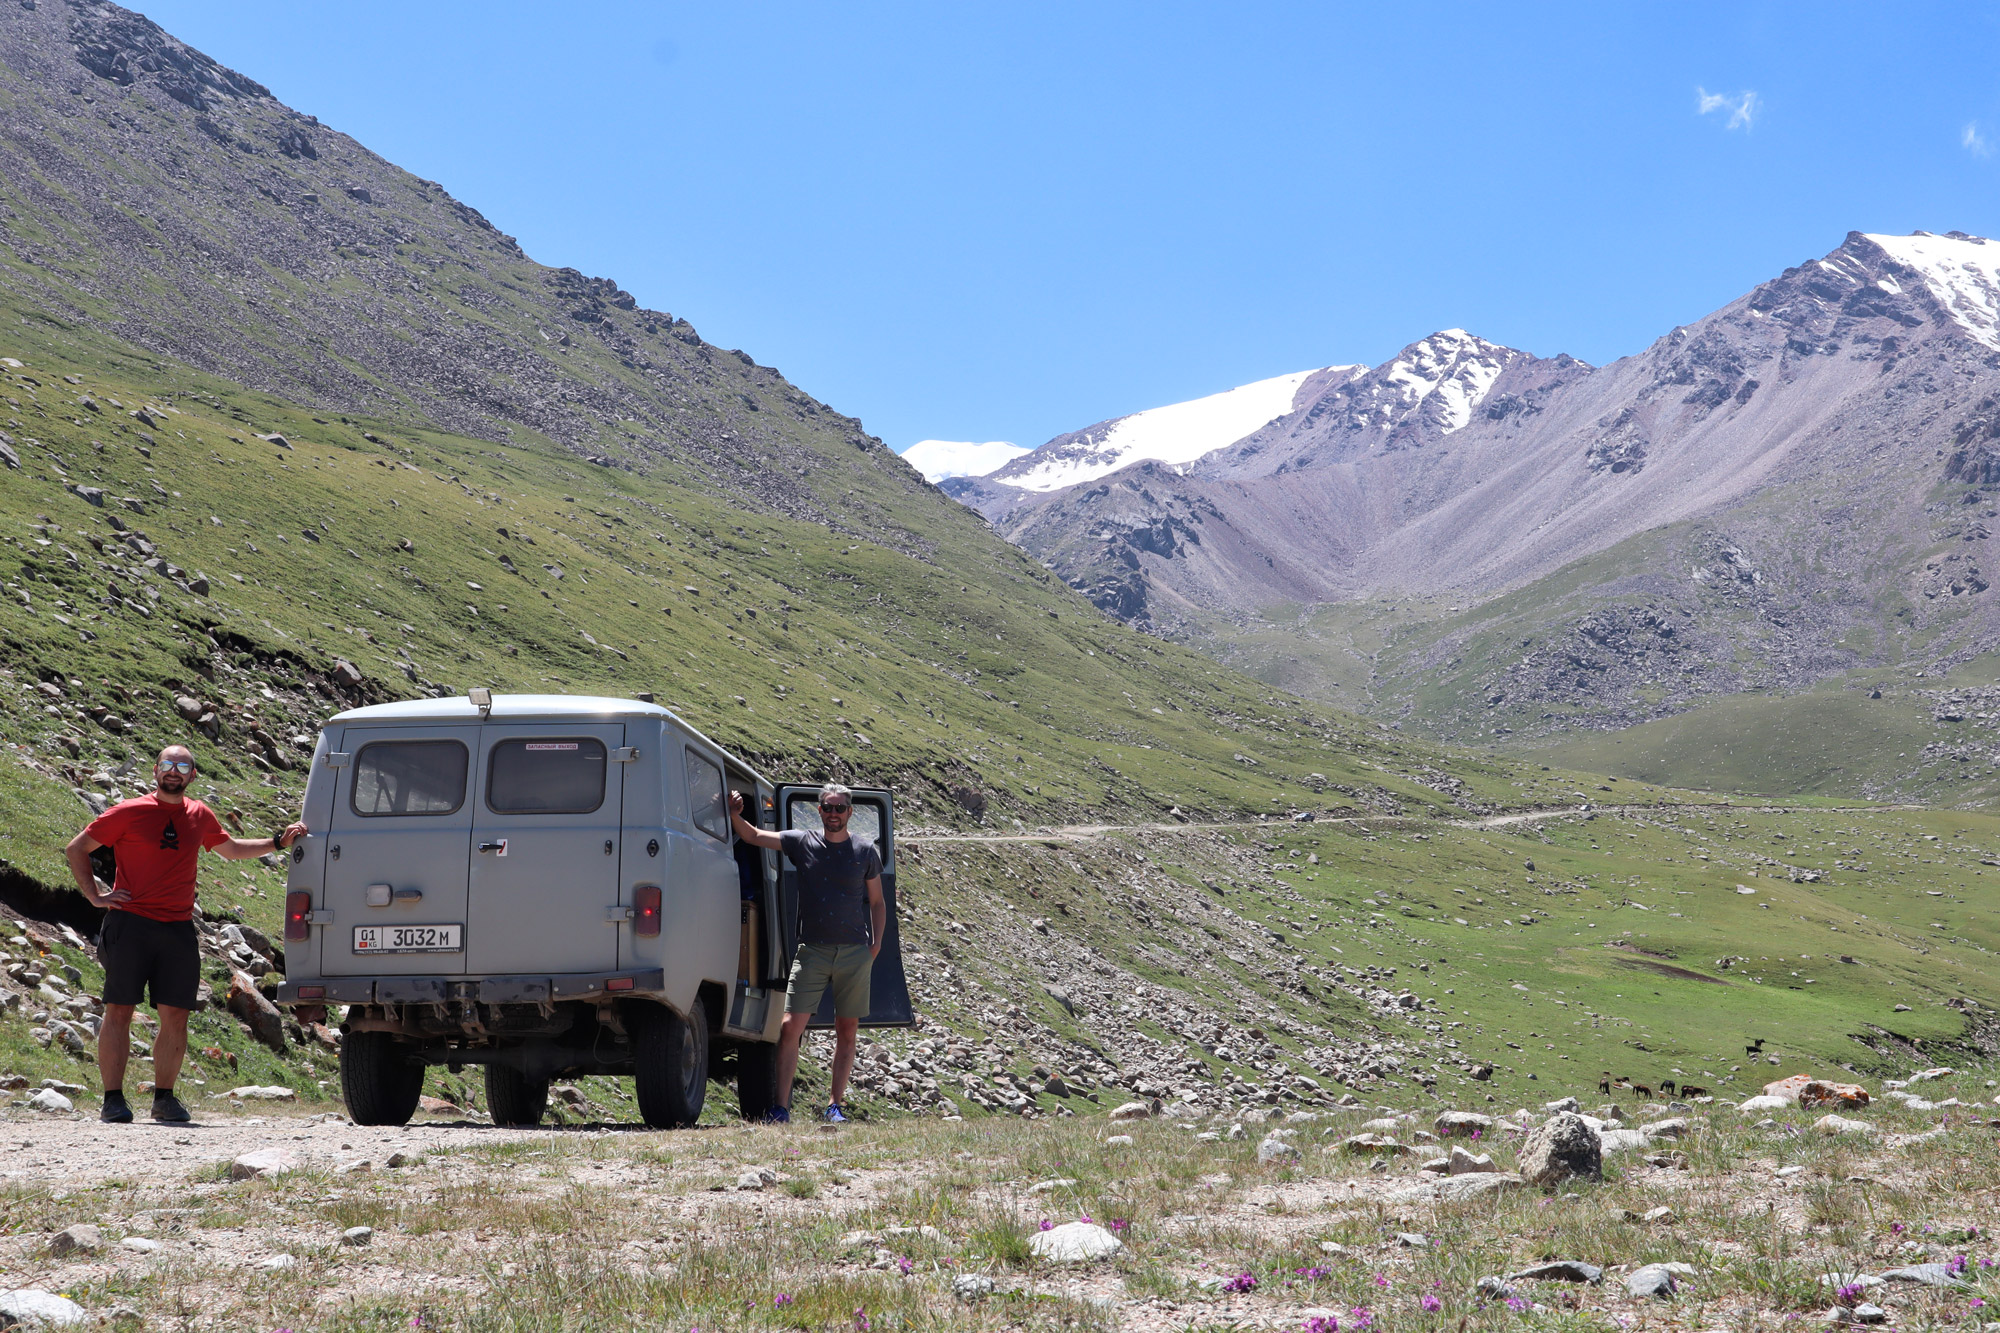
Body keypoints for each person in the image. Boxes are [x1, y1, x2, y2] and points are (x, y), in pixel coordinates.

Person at [65, 744, 307, 1124]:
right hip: (129, 923)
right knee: (119, 1011)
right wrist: (96, 896)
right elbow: (77, 848)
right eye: (167, 764)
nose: (173, 771)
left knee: (176, 1015)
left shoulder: (199, 814)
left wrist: (278, 842)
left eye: (182, 766)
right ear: (156, 771)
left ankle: (164, 1099)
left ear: (192, 775)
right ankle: (113, 1099)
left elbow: (230, 849)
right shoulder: (129, 811)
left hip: (178, 928)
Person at [727, 783, 884, 1124]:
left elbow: (877, 901)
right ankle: (780, 1108)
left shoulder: (865, 850)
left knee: (847, 1030)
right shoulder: (803, 842)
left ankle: (834, 1107)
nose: (833, 814)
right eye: (828, 807)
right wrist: (735, 814)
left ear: (850, 812)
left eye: (840, 808)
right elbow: (754, 836)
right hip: (812, 951)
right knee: (789, 1027)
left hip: (855, 952)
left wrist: (876, 944)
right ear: (819, 810)